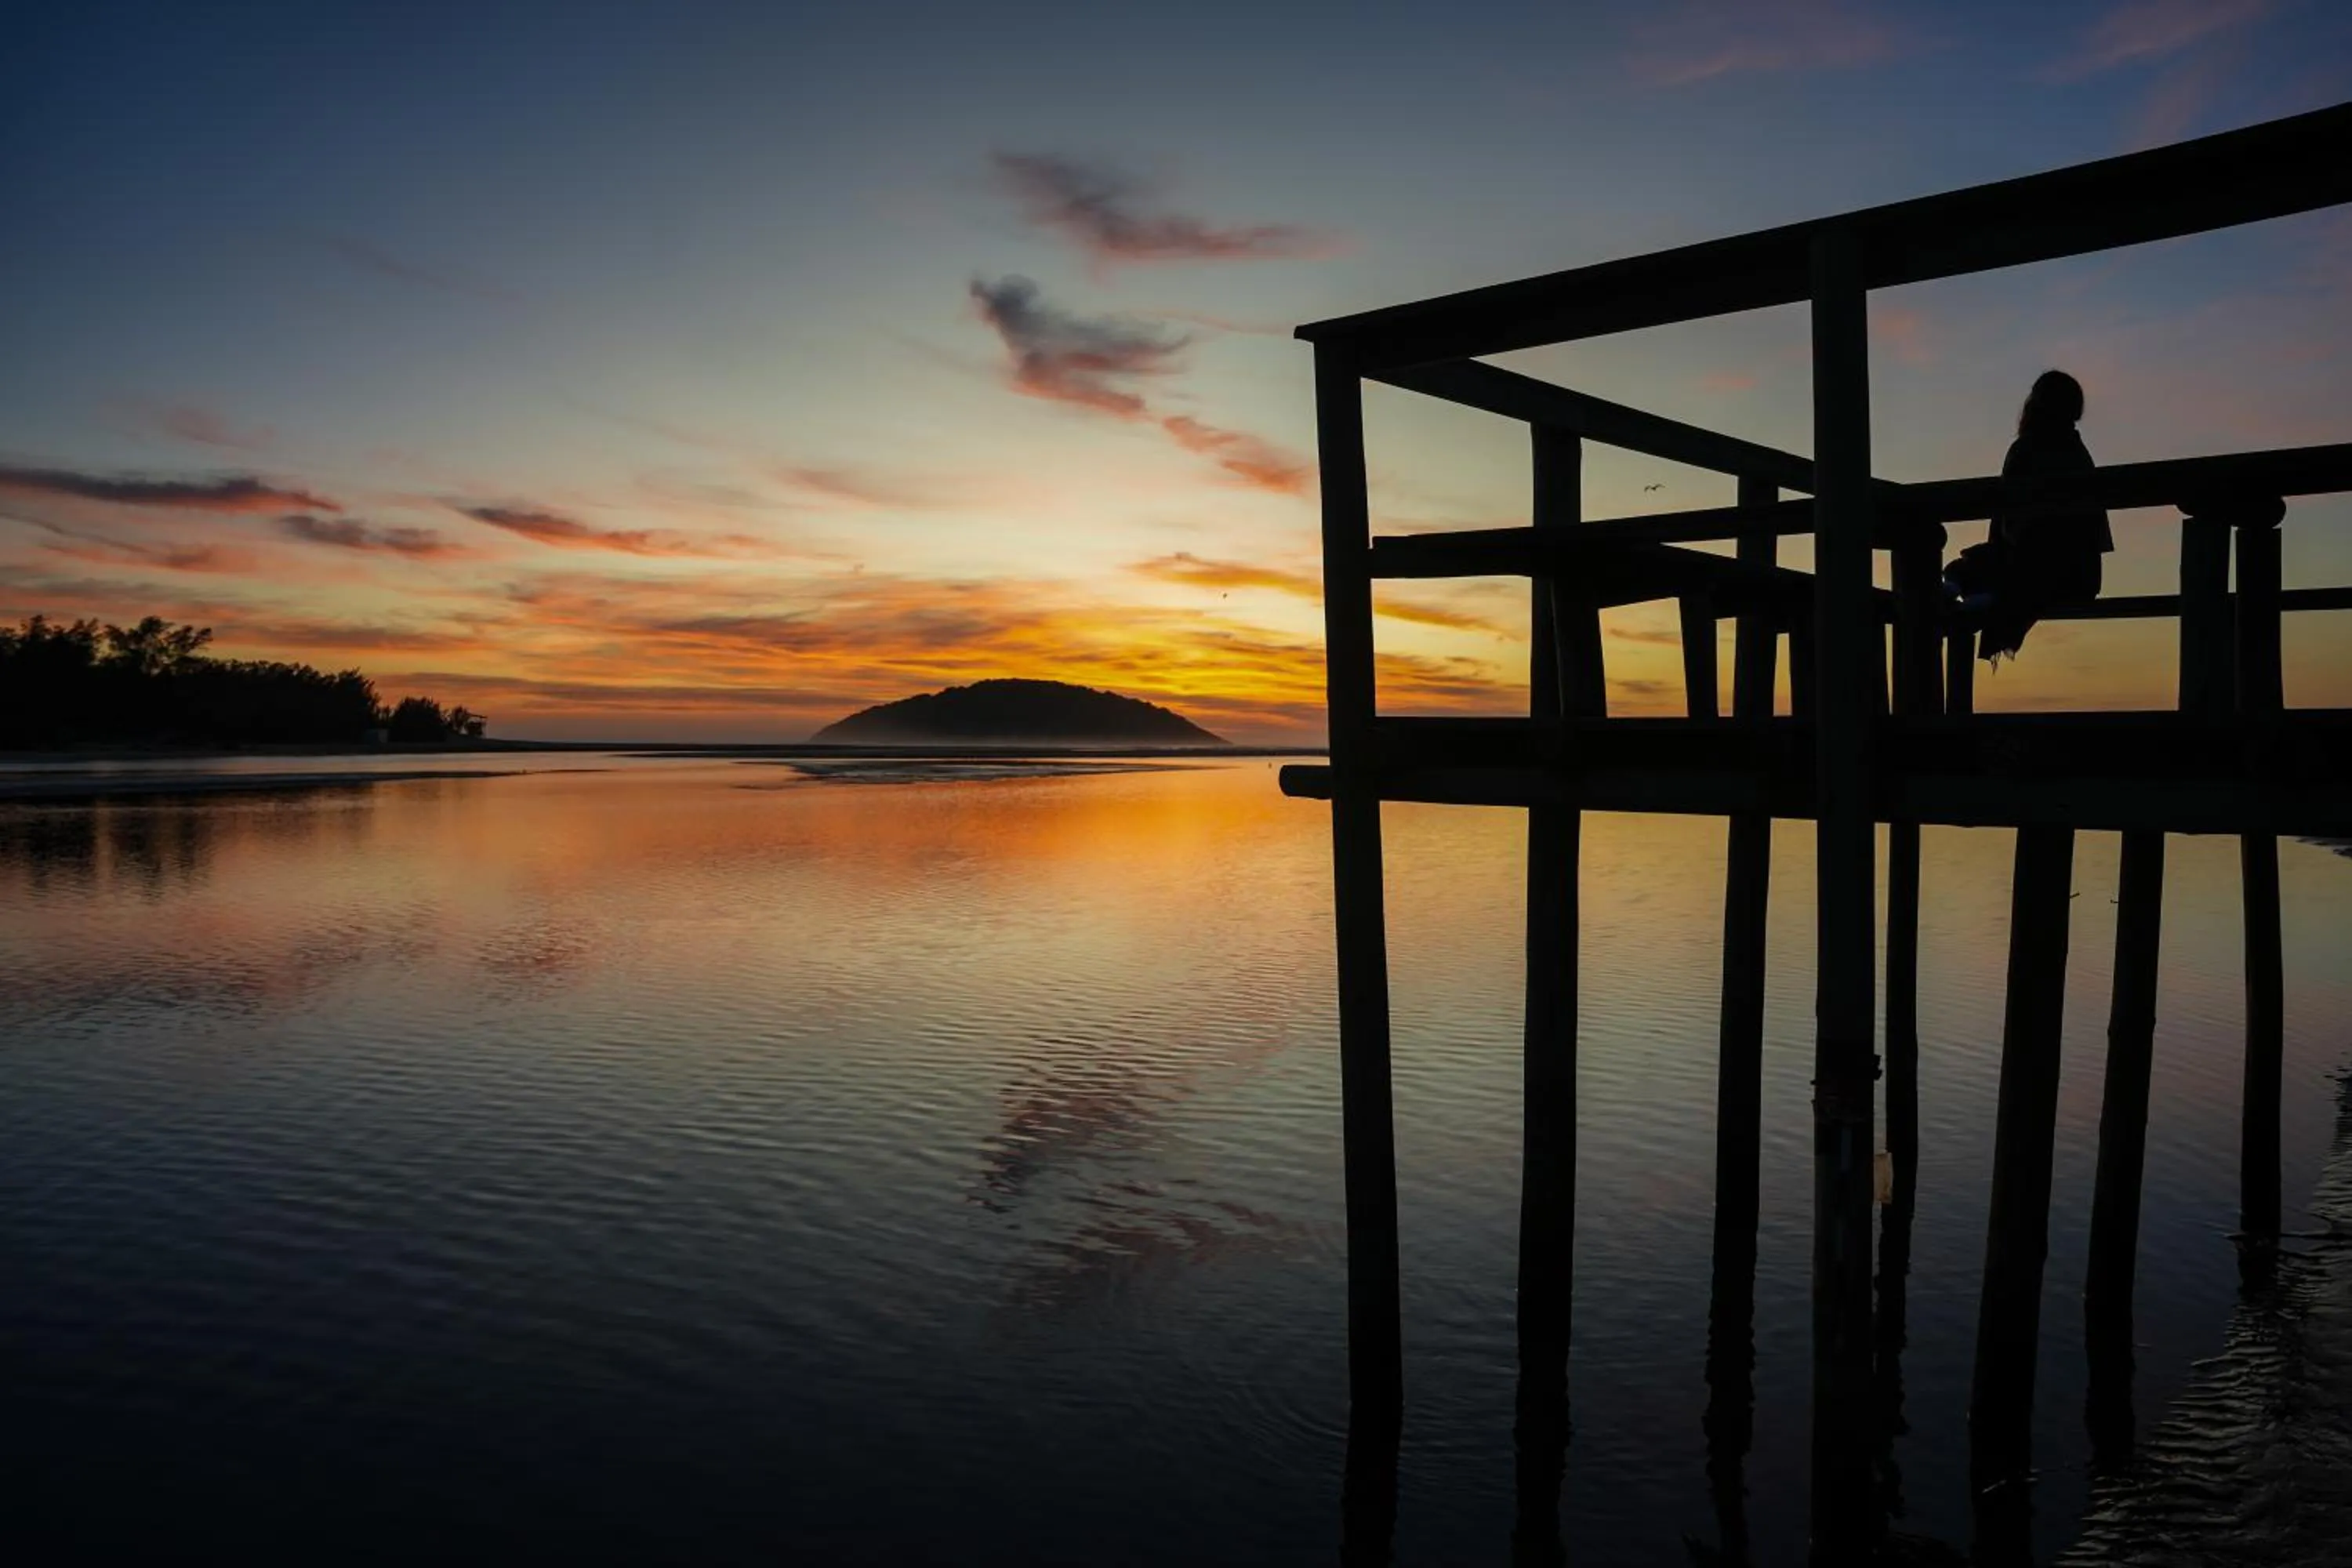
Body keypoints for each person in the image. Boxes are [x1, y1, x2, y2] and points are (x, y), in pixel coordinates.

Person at [1944, 369, 2113, 661]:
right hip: (2083, 579)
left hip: (2038, 574)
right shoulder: (2079, 454)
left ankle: (1983, 601)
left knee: (1959, 570)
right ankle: (1985, 600)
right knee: (1975, 571)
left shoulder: (2025, 450)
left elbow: (2007, 524)